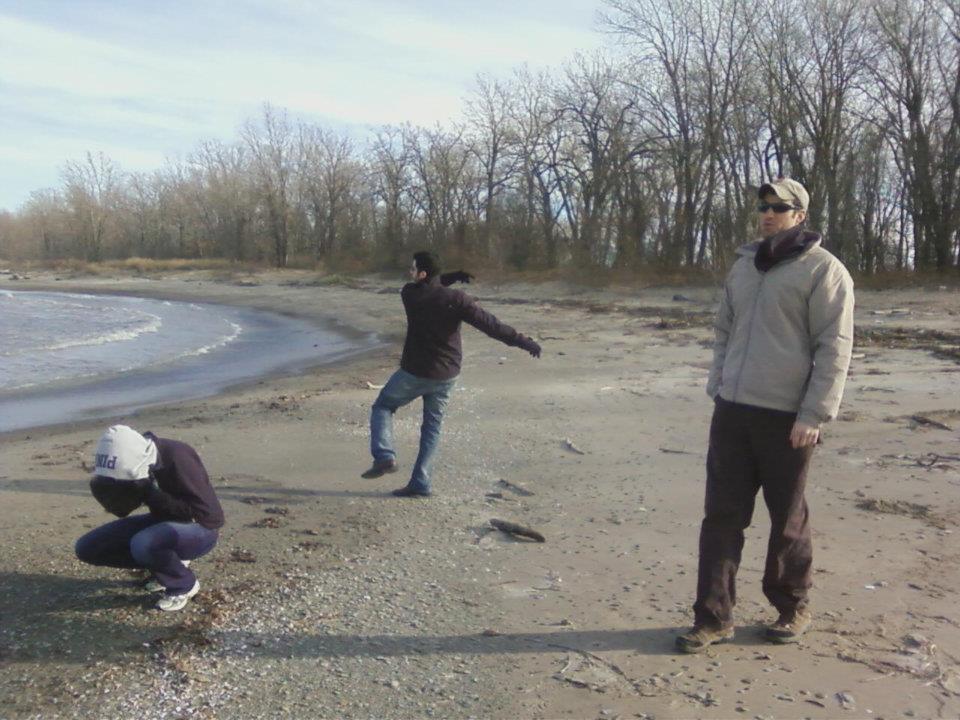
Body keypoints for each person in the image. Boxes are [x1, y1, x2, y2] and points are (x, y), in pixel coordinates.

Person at [676, 178, 854, 653]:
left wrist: (814, 414)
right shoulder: (743, 267)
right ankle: (713, 617)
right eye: (763, 206)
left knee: (787, 518)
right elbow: (724, 329)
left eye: (780, 207)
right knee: (721, 517)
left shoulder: (824, 271)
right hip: (733, 410)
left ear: (800, 215)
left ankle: (791, 606)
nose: (768, 214)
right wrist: (718, 382)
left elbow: (834, 348)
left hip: (788, 418)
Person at [362, 251, 542, 497]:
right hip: (446, 375)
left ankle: (384, 455)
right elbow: (492, 326)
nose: (410, 273)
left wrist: (448, 277)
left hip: (414, 372)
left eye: (413, 269)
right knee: (432, 427)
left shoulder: (410, 294)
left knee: (383, 406)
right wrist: (524, 342)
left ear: (422, 274)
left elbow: (429, 287)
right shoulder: (457, 300)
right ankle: (421, 483)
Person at [75, 425, 224, 612]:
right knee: (88, 548)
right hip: (162, 519)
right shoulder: (134, 455)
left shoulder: (179, 457)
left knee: (144, 543)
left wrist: (150, 493)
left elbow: (209, 517)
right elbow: (123, 509)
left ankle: (183, 584)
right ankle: (166, 566)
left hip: (201, 528)